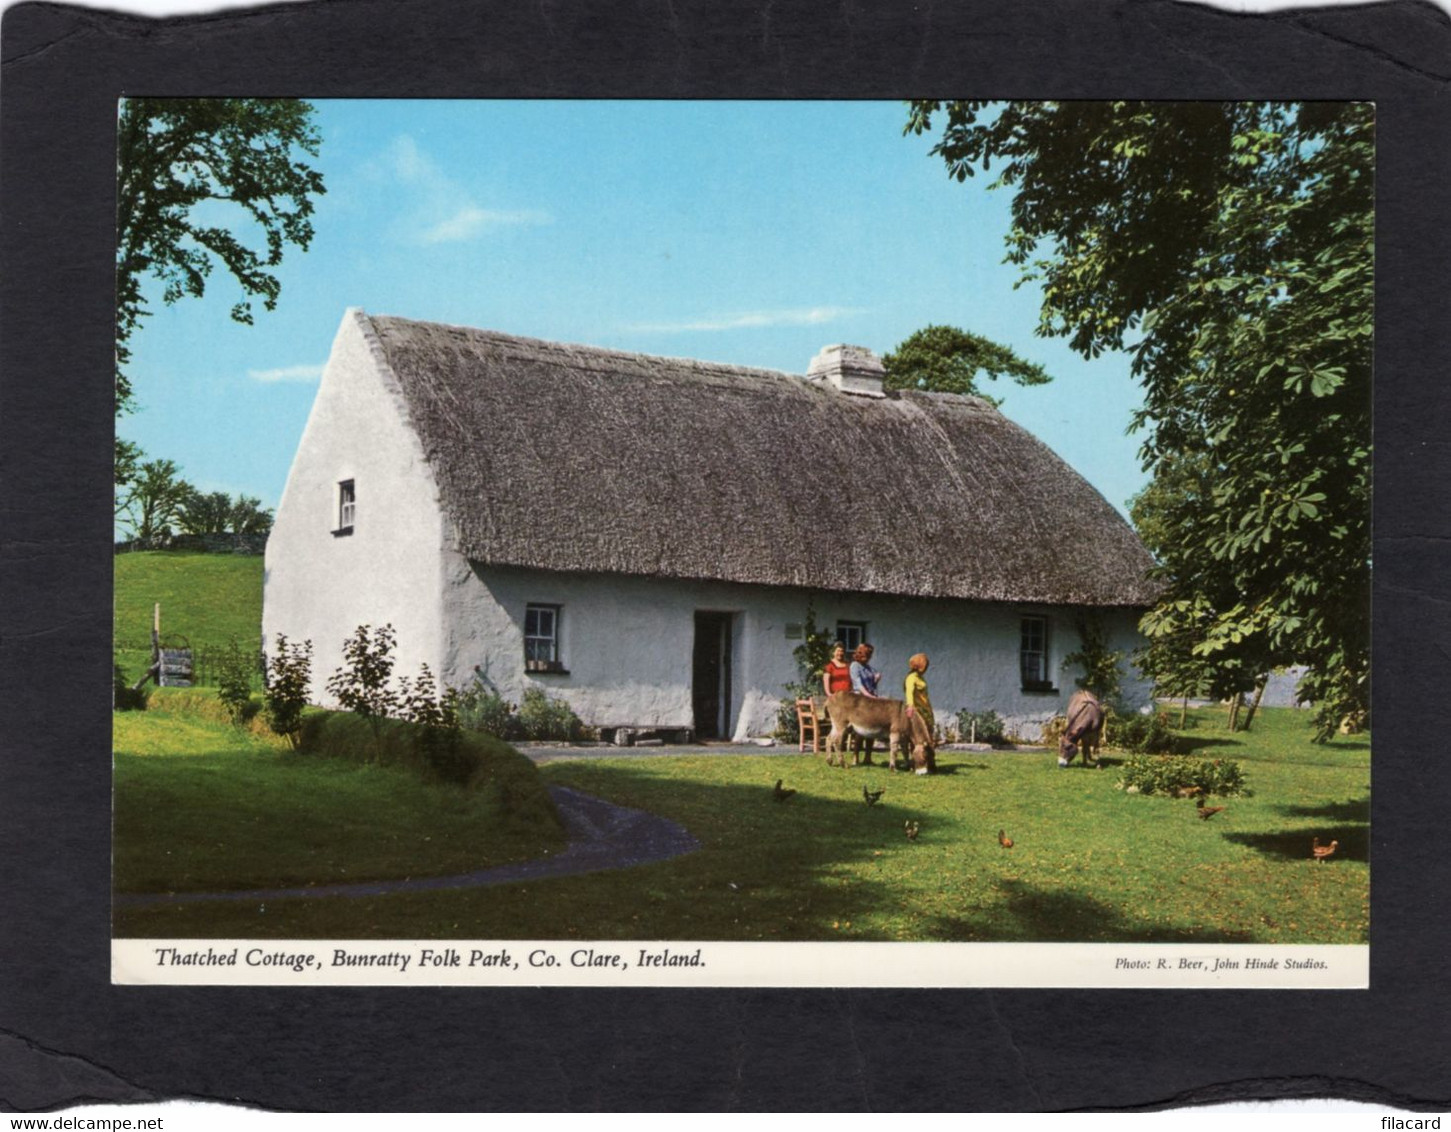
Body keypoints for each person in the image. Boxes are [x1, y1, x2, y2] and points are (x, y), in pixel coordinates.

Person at [903, 653, 935, 736]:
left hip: (926, 709)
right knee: (919, 734)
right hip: (918, 710)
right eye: (926, 665)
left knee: (929, 732)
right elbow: (909, 692)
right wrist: (910, 706)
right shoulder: (911, 677)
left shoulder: (920, 677)